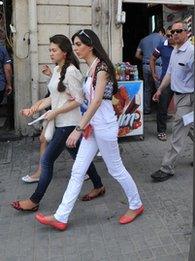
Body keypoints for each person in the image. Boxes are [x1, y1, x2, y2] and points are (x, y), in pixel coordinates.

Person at [35, 29, 144, 231]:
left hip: (103, 128)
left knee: (116, 169)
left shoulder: (101, 68)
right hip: (94, 127)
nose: (75, 48)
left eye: (78, 44)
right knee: (77, 170)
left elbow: (95, 103)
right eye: (74, 44)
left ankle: (136, 204)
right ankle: (61, 216)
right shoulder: (91, 67)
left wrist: (79, 128)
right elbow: (88, 100)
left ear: (90, 45)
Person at [11, 34, 105, 212]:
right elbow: (54, 98)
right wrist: (34, 108)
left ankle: (34, 200)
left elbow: (78, 100)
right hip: (60, 122)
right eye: (50, 50)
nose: (51, 53)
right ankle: (99, 185)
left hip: (69, 124)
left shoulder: (72, 72)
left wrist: (54, 112)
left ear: (64, 52)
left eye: (54, 50)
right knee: (79, 157)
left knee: (46, 160)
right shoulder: (56, 70)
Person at [151, 21, 194, 182]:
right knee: (191, 129)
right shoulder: (175, 51)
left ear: (186, 32)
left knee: (177, 131)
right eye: (171, 33)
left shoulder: (191, 52)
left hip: (189, 98)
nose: (174, 35)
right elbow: (169, 73)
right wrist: (160, 90)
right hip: (178, 96)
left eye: (178, 31)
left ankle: (166, 168)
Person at [149, 26, 175, 141]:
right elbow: (152, 58)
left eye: (171, 35)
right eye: (167, 35)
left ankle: (187, 129)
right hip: (166, 81)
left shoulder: (184, 47)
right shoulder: (162, 46)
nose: (169, 37)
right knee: (162, 107)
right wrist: (153, 72)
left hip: (181, 82)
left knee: (186, 107)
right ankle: (161, 131)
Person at [135, 27, 165, 115]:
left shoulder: (143, 40)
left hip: (145, 66)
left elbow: (137, 55)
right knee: (159, 89)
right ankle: (161, 112)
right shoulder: (162, 38)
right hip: (157, 67)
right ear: (160, 32)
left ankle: (146, 109)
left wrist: (145, 59)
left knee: (147, 88)